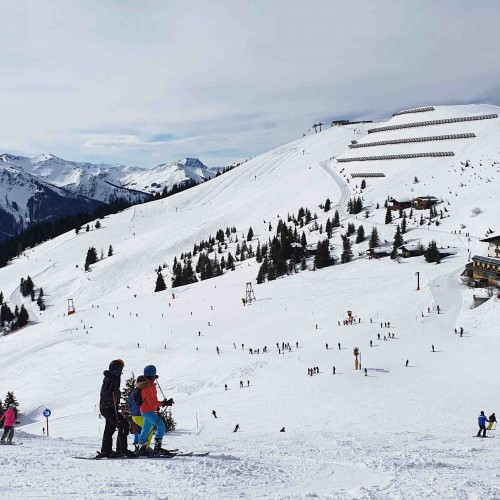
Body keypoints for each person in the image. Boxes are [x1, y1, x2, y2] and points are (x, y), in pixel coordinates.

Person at [99, 359, 134, 458]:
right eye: (121, 368)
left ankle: (106, 451)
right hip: (108, 408)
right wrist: (112, 393)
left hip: (109, 407)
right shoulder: (110, 379)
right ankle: (121, 451)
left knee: (110, 428)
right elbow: (105, 393)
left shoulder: (113, 377)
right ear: (117, 369)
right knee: (123, 425)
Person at [136, 365, 174, 456]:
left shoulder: (148, 384)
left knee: (146, 429)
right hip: (147, 410)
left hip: (145, 410)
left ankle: (142, 448)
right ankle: (157, 449)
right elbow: (152, 403)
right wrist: (164, 403)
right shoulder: (148, 386)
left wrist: (163, 403)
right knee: (161, 426)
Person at [129, 375, 153, 452]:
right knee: (149, 428)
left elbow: (129, 404)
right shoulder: (141, 391)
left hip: (135, 415)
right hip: (140, 414)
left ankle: (143, 447)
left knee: (146, 429)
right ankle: (144, 448)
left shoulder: (134, 391)